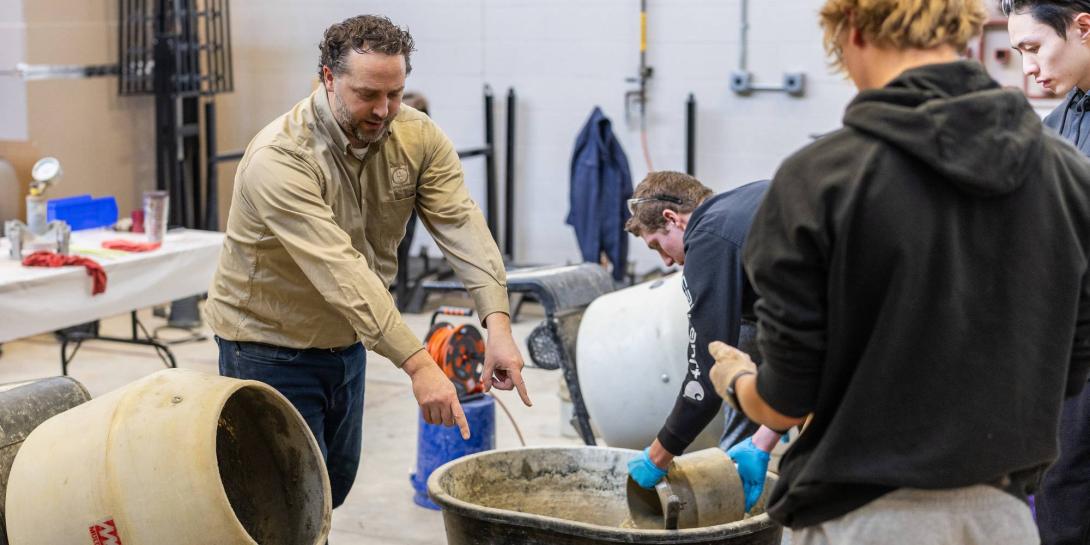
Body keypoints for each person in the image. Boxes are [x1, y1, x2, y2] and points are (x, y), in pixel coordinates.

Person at [707, 0, 1090, 543]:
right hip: (1001, 521)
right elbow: (1068, 372)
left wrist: (737, 379)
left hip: (863, 519)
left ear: (854, 32)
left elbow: (787, 398)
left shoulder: (821, 179)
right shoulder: (1067, 174)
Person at [203, 15, 532, 510]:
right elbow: (341, 272)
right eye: (367, 95)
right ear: (328, 79)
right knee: (284, 503)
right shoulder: (280, 158)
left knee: (333, 486)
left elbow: (462, 226)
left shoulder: (417, 137)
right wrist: (419, 364)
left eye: (395, 94)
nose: (384, 110)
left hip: (348, 344)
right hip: (268, 347)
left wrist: (499, 323)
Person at [621, 171, 781, 512]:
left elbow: (705, 382)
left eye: (656, 245)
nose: (665, 261)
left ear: (672, 219)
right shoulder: (747, 198)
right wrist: (764, 439)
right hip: (873, 294)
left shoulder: (708, 239)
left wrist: (658, 456)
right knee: (745, 331)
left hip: (862, 327)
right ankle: (744, 458)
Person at [1006, 2, 1090, 543]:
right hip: (1073, 353)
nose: (1028, 69)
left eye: (1034, 48)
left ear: (1084, 26)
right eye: (1019, 54)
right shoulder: (1060, 124)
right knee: (1064, 494)